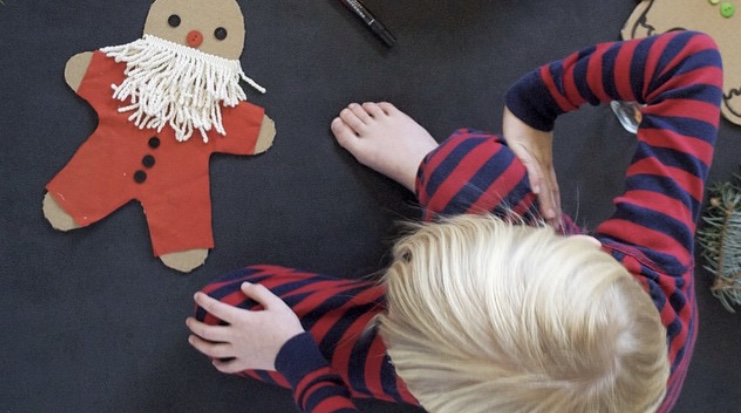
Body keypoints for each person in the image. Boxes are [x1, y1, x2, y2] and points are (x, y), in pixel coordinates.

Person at [186, 30, 722, 413]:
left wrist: (296, 359)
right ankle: (433, 168)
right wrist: (534, 104)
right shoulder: (655, 261)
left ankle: (440, 180)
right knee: (485, 178)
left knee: (227, 312)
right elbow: (691, 61)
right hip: (542, 267)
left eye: (402, 334)